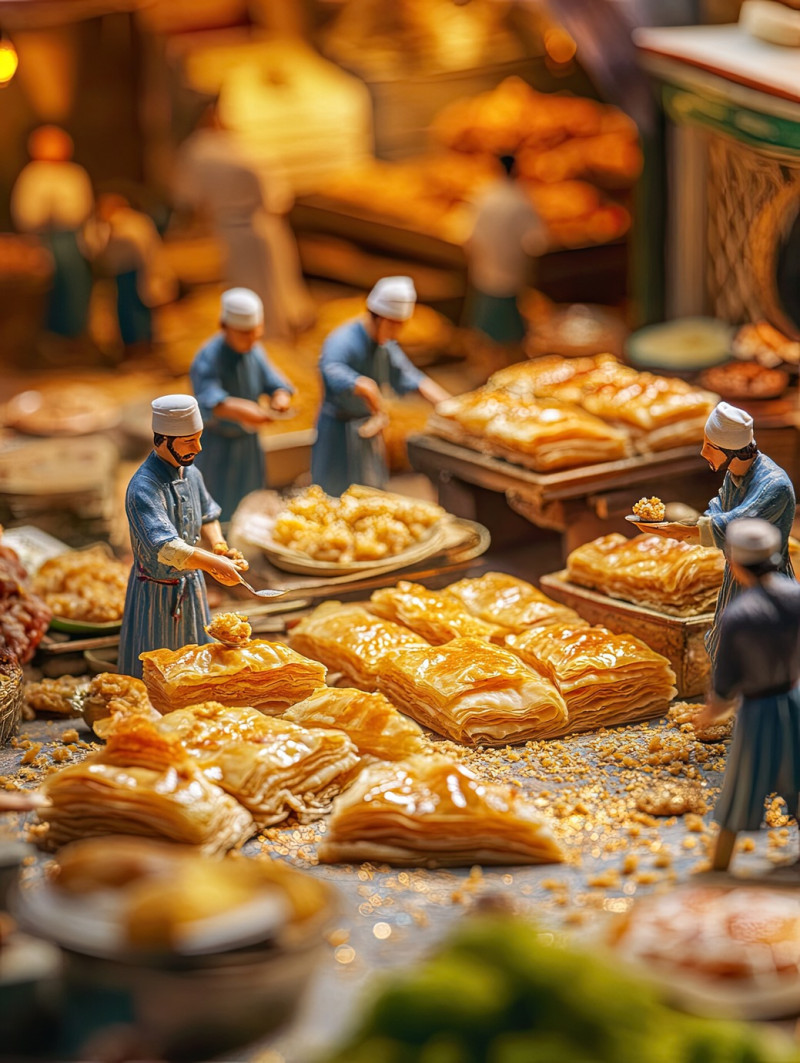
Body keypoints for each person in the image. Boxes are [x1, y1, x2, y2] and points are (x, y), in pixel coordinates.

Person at [632, 401, 795, 668]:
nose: (702, 452)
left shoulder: (774, 485)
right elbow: (716, 510)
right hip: (737, 575)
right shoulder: (734, 474)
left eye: (709, 446)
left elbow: (737, 523)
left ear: (730, 449)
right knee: (725, 645)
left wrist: (685, 530)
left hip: (767, 580)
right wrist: (676, 530)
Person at [692, 518, 800, 872]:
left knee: (743, 782)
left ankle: (720, 865)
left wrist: (709, 714)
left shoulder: (738, 616)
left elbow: (726, 684)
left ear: (735, 565)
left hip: (759, 708)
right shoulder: (795, 598)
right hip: (794, 698)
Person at [118, 395, 244, 679]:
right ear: (162, 440)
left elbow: (208, 516)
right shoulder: (144, 487)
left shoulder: (192, 474)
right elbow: (167, 549)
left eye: (199, 439)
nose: (198, 448)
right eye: (189, 441)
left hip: (192, 584)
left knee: (197, 658)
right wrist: (214, 564)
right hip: (156, 591)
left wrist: (220, 547)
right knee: (155, 664)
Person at [173, 100, 315, 341]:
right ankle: (274, 330)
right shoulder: (242, 150)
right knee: (272, 284)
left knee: (251, 284)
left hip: (234, 228)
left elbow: (187, 197)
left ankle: (263, 333)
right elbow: (278, 196)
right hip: (262, 224)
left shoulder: (197, 152)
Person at [311, 276, 450, 496]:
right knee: (333, 488)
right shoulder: (343, 339)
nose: (397, 333)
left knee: (369, 487)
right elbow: (330, 367)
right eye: (393, 326)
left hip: (367, 427)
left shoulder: (385, 346)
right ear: (378, 317)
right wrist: (360, 383)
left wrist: (450, 405)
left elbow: (410, 376)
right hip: (337, 428)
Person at [190, 287, 294, 522]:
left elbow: (273, 380)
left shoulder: (254, 352)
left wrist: (279, 396)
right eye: (244, 334)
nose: (250, 340)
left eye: (255, 334)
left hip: (248, 443)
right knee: (217, 497)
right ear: (225, 327)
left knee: (251, 494)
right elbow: (211, 400)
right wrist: (244, 411)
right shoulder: (208, 357)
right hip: (218, 445)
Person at [10, 125, 94, 340]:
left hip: (69, 237)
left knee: (74, 280)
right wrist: (40, 216)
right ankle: (48, 333)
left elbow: (82, 207)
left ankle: (73, 330)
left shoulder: (73, 174)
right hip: (40, 238)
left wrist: (64, 213)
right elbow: (23, 209)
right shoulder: (33, 175)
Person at [464, 153, 547, 346]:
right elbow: (536, 243)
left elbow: (469, 236)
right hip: (511, 274)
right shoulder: (521, 201)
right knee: (509, 333)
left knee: (486, 330)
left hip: (485, 273)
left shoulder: (483, 197)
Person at [82, 192, 177, 356]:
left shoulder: (131, 222)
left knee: (136, 309)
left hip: (135, 271)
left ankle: (140, 344)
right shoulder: (105, 225)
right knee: (126, 309)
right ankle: (133, 344)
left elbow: (143, 245)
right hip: (122, 273)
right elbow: (95, 247)